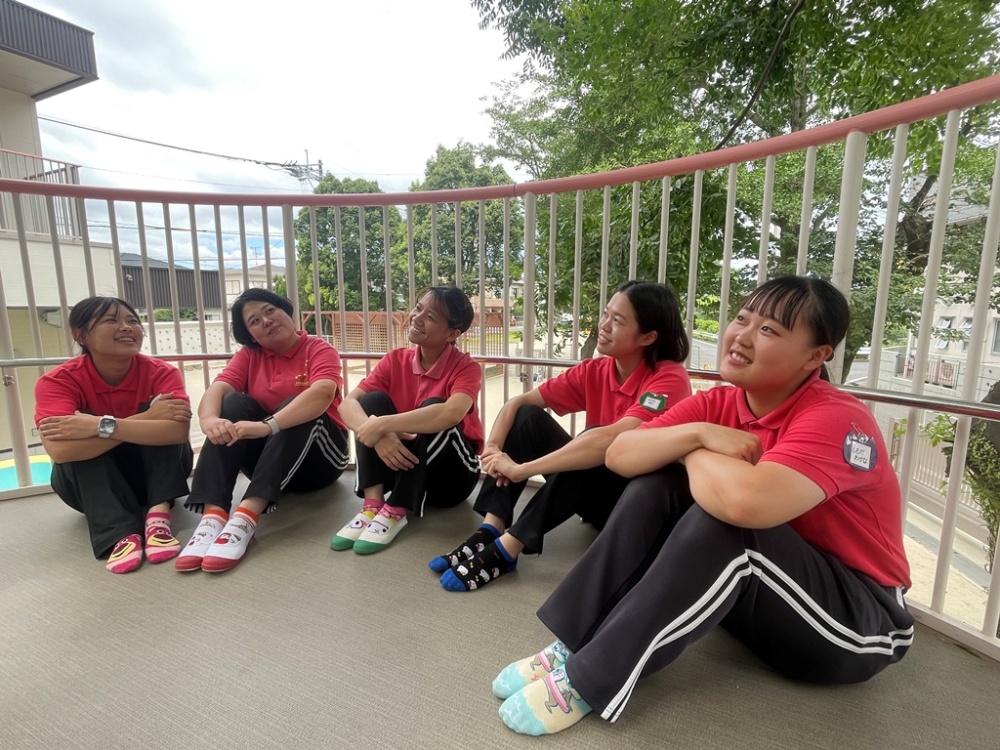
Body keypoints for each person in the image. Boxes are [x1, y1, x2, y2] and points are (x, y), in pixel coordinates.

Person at [493, 276, 913, 736]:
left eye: (769, 330)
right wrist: (698, 434)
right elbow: (620, 455)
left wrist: (687, 447)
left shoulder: (836, 417)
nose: (742, 336)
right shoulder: (719, 403)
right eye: (742, 319)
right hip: (768, 597)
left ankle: (590, 679)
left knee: (728, 525)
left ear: (816, 356)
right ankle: (574, 640)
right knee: (659, 484)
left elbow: (745, 505)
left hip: (856, 622)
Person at [430, 280, 692, 592]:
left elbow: (610, 440)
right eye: (606, 314)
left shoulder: (669, 379)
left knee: (595, 443)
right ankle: (491, 528)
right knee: (527, 418)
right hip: (592, 488)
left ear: (648, 337)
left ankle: (507, 549)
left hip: (631, 507)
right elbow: (518, 403)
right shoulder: (597, 370)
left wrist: (522, 469)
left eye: (618, 321)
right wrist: (495, 449)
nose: (604, 325)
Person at [175, 289, 349, 573]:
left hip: (320, 462)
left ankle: (245, 517)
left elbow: (322, 393)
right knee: (232, 402)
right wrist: (209, 420)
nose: (266, 321)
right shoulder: (250, 355)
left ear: (285, 311)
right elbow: (219, 388)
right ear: (251, 335)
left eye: (270, 311)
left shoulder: (318, 348)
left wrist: (267, 426)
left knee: (301, 405)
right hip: (269, 464)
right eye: (254, 321)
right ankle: (212, 517)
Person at [34, 296, 193, 574]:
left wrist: (97, 425)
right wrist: (146, 418)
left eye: (133, 320)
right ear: (81, 335)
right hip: (86, 490)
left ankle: (158, 516)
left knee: (161, 424)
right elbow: (60, 451)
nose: (127, 327)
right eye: (111, 320)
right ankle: (120, 532)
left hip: (156, 483)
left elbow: (177, 432)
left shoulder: (161, 372)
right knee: (149, 417)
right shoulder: (58, 381)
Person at [330, 285, 483, 554]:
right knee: (371, 402)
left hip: (451, 480)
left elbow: (451, 413)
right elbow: (348, 405)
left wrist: (382, 425)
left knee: (437, 409)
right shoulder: (395, 359)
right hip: (400, 464)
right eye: (417, 308)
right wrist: (380, 436)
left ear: (452, 334)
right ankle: (373, 505)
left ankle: (396, 508)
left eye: (430, 317)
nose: (416, 318)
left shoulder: (466, 368)